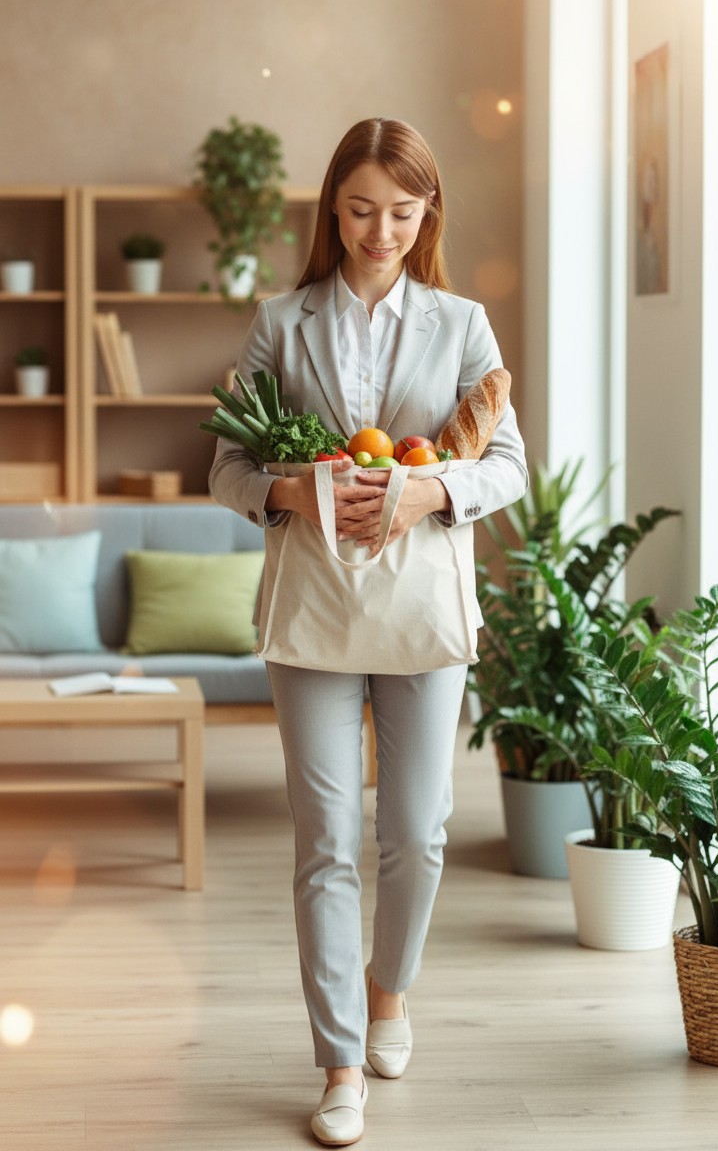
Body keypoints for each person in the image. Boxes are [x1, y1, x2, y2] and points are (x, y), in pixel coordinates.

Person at [209, 117, 527, 1146]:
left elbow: (508, 464)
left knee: (419, 833)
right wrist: (291, 493)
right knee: (325, 840)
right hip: (311, 609)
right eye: (359, 210)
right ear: (331, 211)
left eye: (401, 212)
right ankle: (339, 1061)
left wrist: (431, 492)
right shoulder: (281, 321)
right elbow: (226, 466)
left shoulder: (463, 323)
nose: (379, 232)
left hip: (422, 609)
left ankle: (391, 990)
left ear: (429, 212)